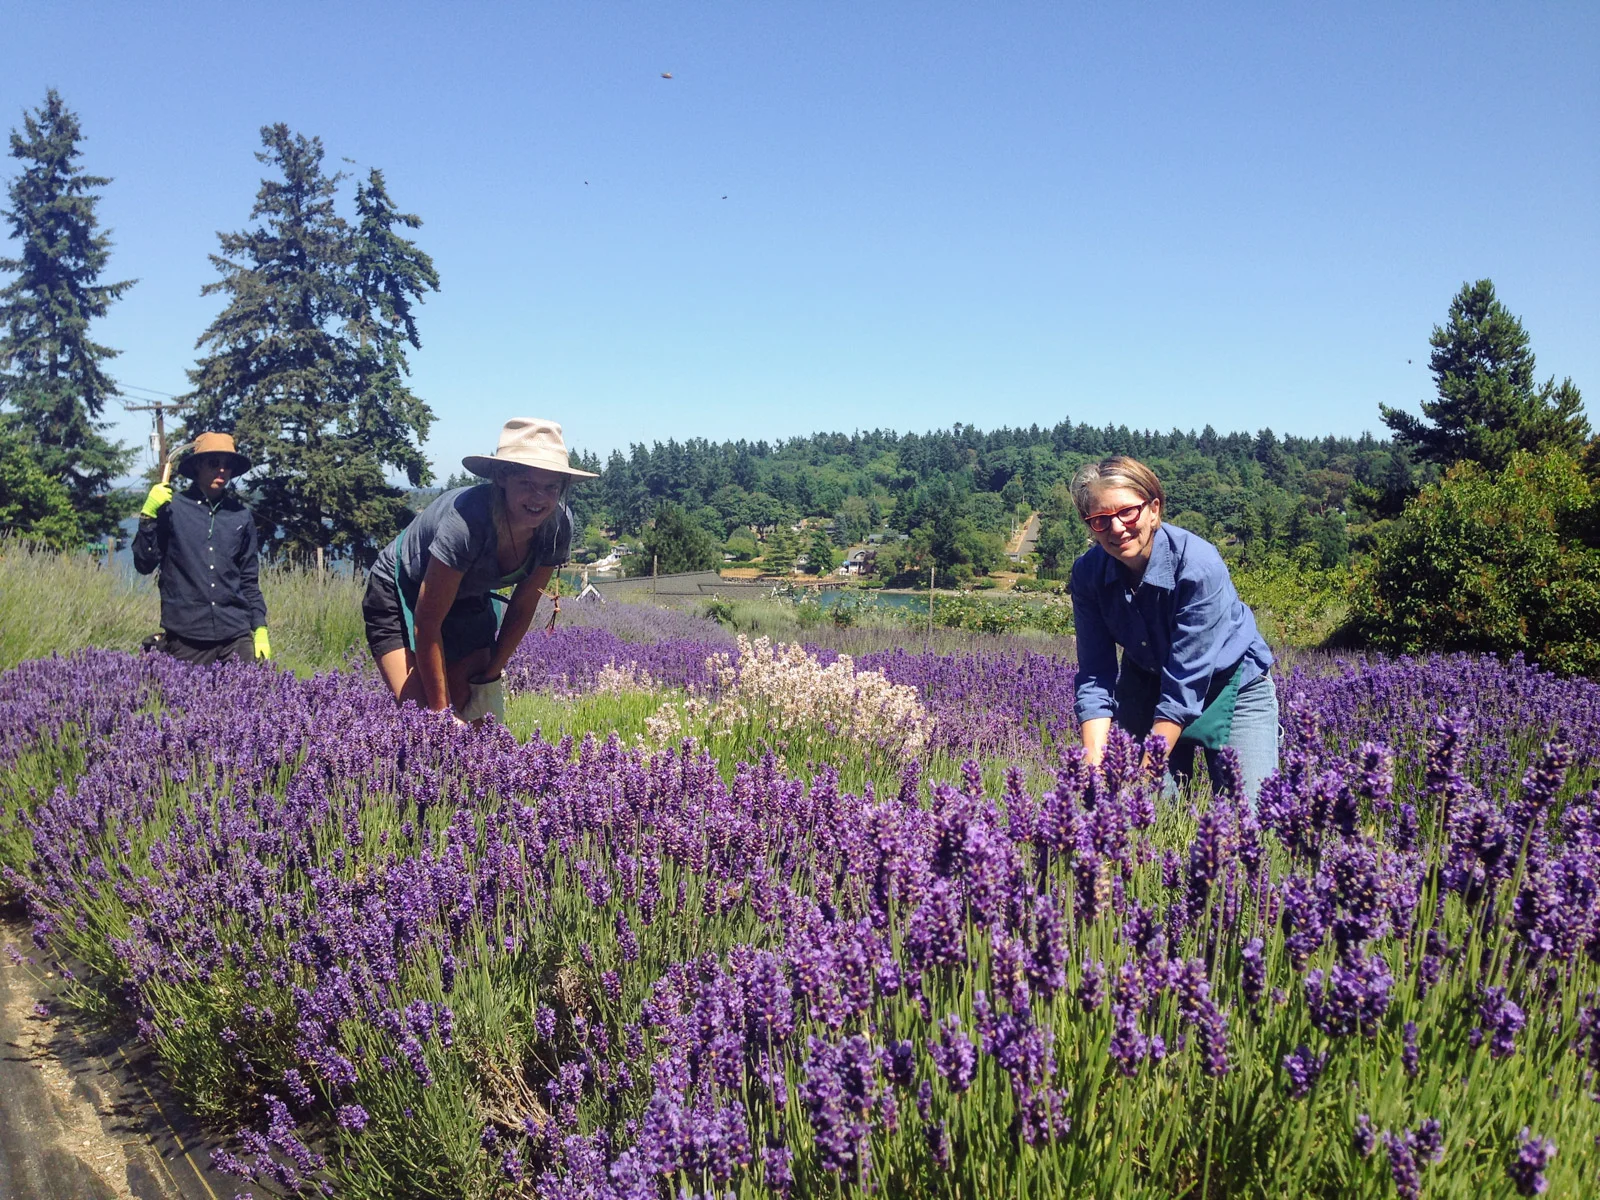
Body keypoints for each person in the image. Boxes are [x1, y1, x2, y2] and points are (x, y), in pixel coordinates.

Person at [1069, 456, 1278, 802]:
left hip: (1233, 684)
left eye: (1127, 512)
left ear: (1153, 509)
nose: (1117, 528)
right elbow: (1095, 675)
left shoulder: (1198, 565)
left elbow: (1185, 684)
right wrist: (1094, 762)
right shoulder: (1088, 575)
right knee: (1134, 812)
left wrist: (1146, 770)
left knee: (1250, 821)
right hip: (1148, 681)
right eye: (1101, 520)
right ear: (1089, 526)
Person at [363, 417, 595, 723]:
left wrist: (490, 674)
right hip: (398, 589)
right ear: (501, 477)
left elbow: (524, 606)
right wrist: (442, 714)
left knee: (477, 714)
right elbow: (428, 620)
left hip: (468, 597)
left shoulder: (557, 526)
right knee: (423, 718)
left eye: (551, 487)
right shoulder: (467, 522)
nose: (539, 498)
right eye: (527, 484)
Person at [133, 432, 271, 666]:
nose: (221, 470)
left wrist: (259, 628)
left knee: (255, 698)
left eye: (227, 465)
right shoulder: (173, 509)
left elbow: (248, 580)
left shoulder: (240, 516)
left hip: (235, 633)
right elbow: (144, 564)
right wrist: (147, 516)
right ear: (197, 465)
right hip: (187, 636)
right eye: (214, 462)